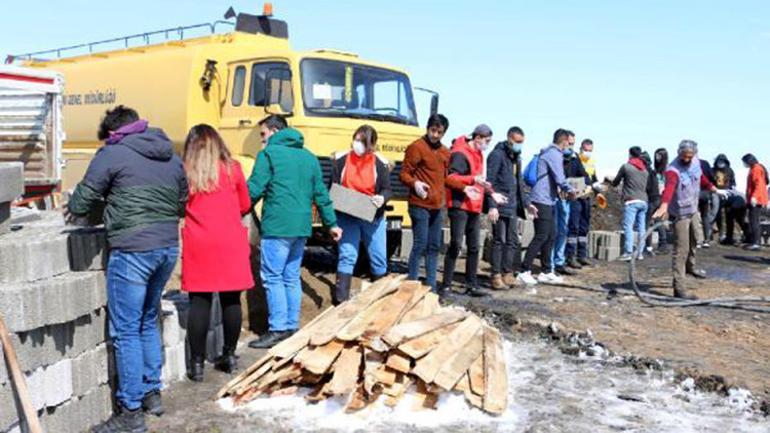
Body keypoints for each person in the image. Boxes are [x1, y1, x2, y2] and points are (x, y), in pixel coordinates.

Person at [67, 106, 188, 433]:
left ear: (112, 132)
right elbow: (181, 202)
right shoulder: (170, 155)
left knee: (126, 331)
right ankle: (152, 394)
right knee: (149, 318)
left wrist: (105, 206)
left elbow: (80, 203)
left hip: (133, 250)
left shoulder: (113, 153)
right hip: (166, 247)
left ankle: (130, 413)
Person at [247, 116, 342, 349]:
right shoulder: (309, 157)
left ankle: (278, 329)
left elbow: (254, 189)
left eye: (263, 134)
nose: (262, 140)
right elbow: (321, 194)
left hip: (277, 226)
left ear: (274, 131)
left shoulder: (268, 155)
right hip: (301, 227)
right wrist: (332, 224)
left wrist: (233, 209)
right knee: (290, 276)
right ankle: (291, 326)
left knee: (272, 277)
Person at [180, 125, 254, 382]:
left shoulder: (186, 171)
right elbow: (245, 205)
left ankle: (197, 363)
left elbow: (178, 205)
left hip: (199, 242)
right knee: (231, 300)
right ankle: (229, 355)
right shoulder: (233, 168)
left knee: (199, 302)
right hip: (230, 241)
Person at [653, 140, 722, 299]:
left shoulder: (696, 162)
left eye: (690, 156)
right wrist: (664, 206)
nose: (687, 159)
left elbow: (700, 177)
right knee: (681, 250)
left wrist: (712, 187)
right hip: (680, 215)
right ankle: (679, 289)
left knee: (695, 239)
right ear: (679, 153)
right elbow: (669, 189)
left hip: (693, 210)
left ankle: (690, 267)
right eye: (684, 156)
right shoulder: (673, 170)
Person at [330, 125, 392, 304]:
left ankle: (380, 301)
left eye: (362, 141)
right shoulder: (341, 160)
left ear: (371, 145)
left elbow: (388, 188)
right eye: (355, 139)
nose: (357, 144)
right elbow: (332, 186)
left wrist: (382, 198)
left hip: (372, 215)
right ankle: (340, 300)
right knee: (347, 255)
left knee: (379, 257)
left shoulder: (379, 163)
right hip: (347, 215)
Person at [442, 124, 506, 296]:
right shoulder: (460, 153)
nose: (487, 145)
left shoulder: (478, 155)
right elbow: (451, 179)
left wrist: (493, 194)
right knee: (456, 244)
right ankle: (446, 285)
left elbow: (480, 181)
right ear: (477, 138)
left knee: (474, 247)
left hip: (474, 206)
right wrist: (471, 180)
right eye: (486, 141)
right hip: (459, 204)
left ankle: (471, 285)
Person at [517, 129, 577, 285]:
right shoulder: (554, 154)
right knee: (541, 235)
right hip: (540, 199)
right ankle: (524, 270)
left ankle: (546, 271)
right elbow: (559, 178)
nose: (569, 146)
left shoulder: (552, 154)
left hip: (549, 200)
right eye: (569, 143)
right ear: (563, 141)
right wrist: (570, 190)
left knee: (551, 235)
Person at [400, 114, 451, 292]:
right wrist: (415, 183)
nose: (435, 135)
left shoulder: (445, 152)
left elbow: (446, 179)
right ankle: (412, 284)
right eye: (433, 130)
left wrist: (467, 186)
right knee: (420, 244)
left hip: (437, 206)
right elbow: (404, 174)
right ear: (428, 128)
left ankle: (431, 287)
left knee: (434, 246)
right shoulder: (416, 147)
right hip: (419, 204)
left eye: (439, 132)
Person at [486, 126, 526, 290]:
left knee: (512, 241)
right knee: (498, 241)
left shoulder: (516, 158)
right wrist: (492, 205)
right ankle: (495, 275)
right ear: (509, 139)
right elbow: (490, 182)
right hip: (500, 206)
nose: (519, 145)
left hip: (512, 206)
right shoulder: (497, 155)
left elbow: (518, 183)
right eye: (517, 142)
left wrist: (526, 203)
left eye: (522, 142)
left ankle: (507, 273)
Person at [611, 146, 650, 261]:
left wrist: (610, 182)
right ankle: (640, 253)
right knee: (641, 227)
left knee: (628, 226)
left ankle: (628, 252)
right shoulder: (645, 171)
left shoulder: (626, 167)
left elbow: (616, 182)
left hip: (631, 200)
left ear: (630, 154)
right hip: (644, 201)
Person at [566, 138, 599, 268]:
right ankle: (570, 255)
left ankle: (582, 255)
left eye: (590, 151)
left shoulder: (591, 163)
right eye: (585, 150)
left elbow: (593, 179)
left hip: (586, 198)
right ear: (581, 149)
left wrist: (598, 191)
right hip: (575, 198)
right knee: (573, 226)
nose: (587, 153)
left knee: (584, 228)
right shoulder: (574, 160)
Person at [549, 131, 578, 276]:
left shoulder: (574, 158)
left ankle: (559, 261)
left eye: (573, 143)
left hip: (566, 199)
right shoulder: (551, 155)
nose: (570, 146)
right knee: (552, 231)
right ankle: (550, 264)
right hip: (553, 199)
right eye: (569, 143)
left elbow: (583, 174)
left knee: (563, 231)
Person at [742, 153, 768, 251]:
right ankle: (754, 241)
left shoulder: (756, 169)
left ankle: (756, 243)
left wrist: (754, 197)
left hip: (757, 199)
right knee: (753, 220)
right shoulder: (754, 168)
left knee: (754, 221)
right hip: (756, 198)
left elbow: (759, 184)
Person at [713, 154, 737, 243]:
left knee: (729, 215)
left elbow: (733, 182)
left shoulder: (729, 171)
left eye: (722, 161)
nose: (721, 163)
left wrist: (732, 189)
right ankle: (720, 233)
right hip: (716, 194)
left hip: (727, 194)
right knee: (717, 214)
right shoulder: (713, 170)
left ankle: (729, 235)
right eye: (719, 161)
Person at [641, 150, 661, 257]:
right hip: (657, 199)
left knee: (646, 224)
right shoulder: (652, 171)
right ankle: (662, 243)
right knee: (657, 223)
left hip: (651, 200)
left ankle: (647, 247)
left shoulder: (646, 172)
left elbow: (648, 187)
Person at [698, 157, 719, 248]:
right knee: (705, 215)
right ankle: (706, 239)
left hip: (694, 193)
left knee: (695, 216)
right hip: (705, 192)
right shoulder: (705, 163)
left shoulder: (687, 164)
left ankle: (698, 240)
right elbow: (712, 177)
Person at [653, 148, 671, 253]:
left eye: (659, 155)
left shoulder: (667, 170)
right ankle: (662, 244)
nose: (657, 157)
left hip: (662, 198)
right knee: (658, 221)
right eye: (656, 155)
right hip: (656, 196)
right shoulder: (657, 170)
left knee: (658, 220)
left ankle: (663, 244)